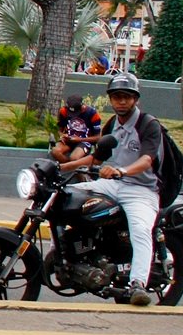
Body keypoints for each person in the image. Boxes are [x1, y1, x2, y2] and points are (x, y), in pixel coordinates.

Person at [61, 73, 163, 305]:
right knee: (66, 195)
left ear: (135, 99)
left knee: (140, 229)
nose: (121, 101)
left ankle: (138, 284)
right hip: (112, 184)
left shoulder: (148, 124)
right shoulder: (112, 124)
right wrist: (62, 166)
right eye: (117, 97)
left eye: (127, 97)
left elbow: (147, 160)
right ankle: (73, 255)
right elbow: (96, 159)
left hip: (141, 189)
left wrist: (123, 171)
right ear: (111, 99)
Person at [50, 94, 103, 163]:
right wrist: (62, 135)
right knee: (55, 151)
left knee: (74, 158)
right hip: (68, 140)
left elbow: (98, 137)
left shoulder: (92, 114)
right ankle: (67, 167)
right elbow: (60, 129)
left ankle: (71, 166)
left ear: (82, 107)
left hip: (84, 141)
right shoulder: (63, 111)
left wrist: (79, 139)